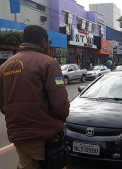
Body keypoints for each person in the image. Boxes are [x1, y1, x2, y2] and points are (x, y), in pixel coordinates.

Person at [0, 25, 70, 169]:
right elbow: (60, 104)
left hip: (19, 135)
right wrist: (61, 118)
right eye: (48, 43)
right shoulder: (49, 63)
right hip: (44, 134)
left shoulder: (4, 67)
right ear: (43, 42)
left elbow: (3, 104)